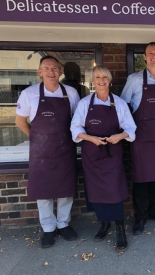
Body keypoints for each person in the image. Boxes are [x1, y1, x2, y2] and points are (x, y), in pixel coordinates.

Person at [15, 55, 80, 248]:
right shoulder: (29, 93)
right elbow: (20, 121)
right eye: (47, 68)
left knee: (65, 189)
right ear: (40, 72)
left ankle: (63, 224)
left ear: (60, 72)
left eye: (55, 68)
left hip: (65, 149)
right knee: (43, 192)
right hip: (40, 152)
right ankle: (48, 228)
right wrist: (36, 138)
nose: (51, 72)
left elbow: (76, 120)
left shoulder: (70, 93)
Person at [71, 65, 136, 251]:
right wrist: (91, 138)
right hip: (91, 155)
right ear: (93, 80)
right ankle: (104, 224)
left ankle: (119, 229)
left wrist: (120, 136)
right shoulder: (84, 103)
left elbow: (131, 128)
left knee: (114, 192)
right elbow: (75, 128)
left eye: (104, 77)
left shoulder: (120, 103)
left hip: (112, 155)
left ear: (109, 80)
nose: (101, 80)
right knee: (97, 194)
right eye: (97, 77)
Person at [120, 42, 155, 235]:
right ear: (144, 57)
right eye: (150, 53)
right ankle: (140, 216)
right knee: (141, 178)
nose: (154, 57)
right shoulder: (134, 79)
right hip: (141, 137)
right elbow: (123, 107)